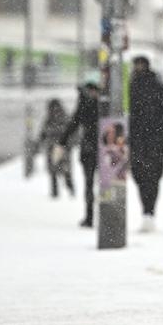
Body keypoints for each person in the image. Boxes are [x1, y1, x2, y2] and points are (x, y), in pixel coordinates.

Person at [128, 56, 163, 232]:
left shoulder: (158, 87)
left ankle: (149, 212)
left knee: (152, 175)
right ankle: (147, 210)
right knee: (139, 174)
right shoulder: (129, 87)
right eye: (136, 65)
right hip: (136, 137)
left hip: (155, 137)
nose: (138, 68)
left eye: (141, 65)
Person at [59, 82, 100, 228]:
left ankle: (90, 218)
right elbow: (74, 123)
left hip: (90, 149)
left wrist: (62, 141)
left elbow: (74, 123)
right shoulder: (103, 103)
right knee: (99, 184)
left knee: (91, 184)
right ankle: (95, 216)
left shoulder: (85, 104)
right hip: (100, 149)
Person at [40, 98, 75, 199]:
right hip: (63, 147)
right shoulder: (64, 117)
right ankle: (70, 190)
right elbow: (72, 132)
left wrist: (41, 142)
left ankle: (56, 193)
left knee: (54, 171)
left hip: (56, 147)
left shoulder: (49, 118)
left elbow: (43, 133)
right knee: (66, 170)